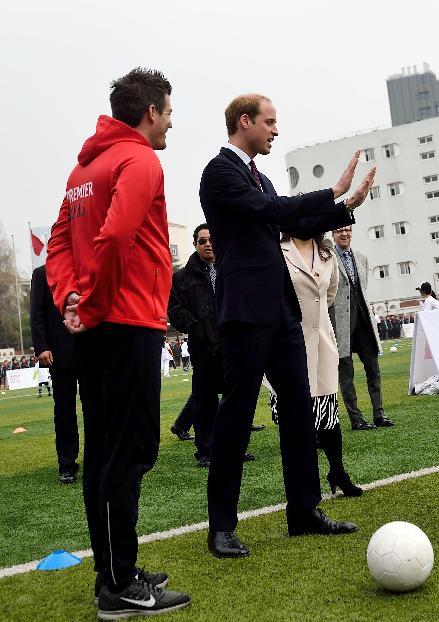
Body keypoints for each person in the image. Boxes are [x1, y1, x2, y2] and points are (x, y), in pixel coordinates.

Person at [45, 67, 189, 616]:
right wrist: (93, 304)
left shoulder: (83, 169)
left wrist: (69, 301)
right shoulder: (139, 159)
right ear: (150, 112)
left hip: (97, 324)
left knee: (106, 453)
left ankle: (113, 574)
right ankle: (120, 586)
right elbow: (117, 235)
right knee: (127, 454)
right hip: (125, 323)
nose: (172, 122)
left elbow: (58, 245)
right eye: (169, 112)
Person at [200, 94, 370, 558]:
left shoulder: (260, 177)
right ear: (244, 122)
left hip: (280, 310)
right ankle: (221, 527)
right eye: (270, 122)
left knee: (299, 409)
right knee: (236, 415)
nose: (276, 131)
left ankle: (304, 511)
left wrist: (345, 206)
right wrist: (332, 192)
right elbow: (272, 213)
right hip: (245, 312)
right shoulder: (220, 173)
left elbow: (288, 221)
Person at [280, 228, 363, 497]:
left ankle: (337, 471)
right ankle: (304, 484)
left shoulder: (327, 254)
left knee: (328, 413)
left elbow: (330, 295)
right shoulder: (278, 250)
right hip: (289, 341)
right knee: (296, 418)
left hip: (323, 339)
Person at [167, 224, 259, 467]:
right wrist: (196, 327)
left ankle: (236, 448)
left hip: (234, 345)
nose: (208, 244)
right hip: (203, 347)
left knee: (236, 402)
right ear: (195, 244)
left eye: (211, 239)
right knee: (205, 403)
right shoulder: (182, 277)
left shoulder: (231, 269)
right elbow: (174, 310)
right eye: (202, 240)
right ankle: (206, 451)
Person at [330, 225, 394, 431]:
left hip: (365, 321)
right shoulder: (328, 258)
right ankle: (356, 418)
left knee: (373, 370)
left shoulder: (362, 257)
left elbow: (362, 289)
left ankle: (379, 414)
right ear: (333, 234)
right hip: (340, 322)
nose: (344, 233)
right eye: (339, 230)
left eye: (347, 229)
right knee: (346, 374)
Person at [30, 265, 78, 484]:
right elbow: (37, 314)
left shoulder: (87, 265)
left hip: (90, 349)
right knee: (64, 410)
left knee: (97, 407)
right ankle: (67, 464)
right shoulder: (42, 274)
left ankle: (101, 459)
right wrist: (41, 347)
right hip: (59, 353)